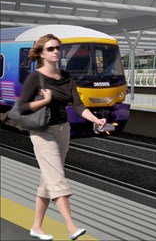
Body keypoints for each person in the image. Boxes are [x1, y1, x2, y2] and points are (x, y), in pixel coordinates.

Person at [18, 34, 106, 241]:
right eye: (50, 49)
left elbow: (78, 105)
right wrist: (43, 101)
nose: (56, 51)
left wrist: (95, 119)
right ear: (41, 53)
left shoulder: (66, 77)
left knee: (48, 179)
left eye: (57, 48)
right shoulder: (35, 78)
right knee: (57, 178)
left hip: (62, 129)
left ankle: (36, 227)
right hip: (42, 131)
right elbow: (21, 107)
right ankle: (71, 226)